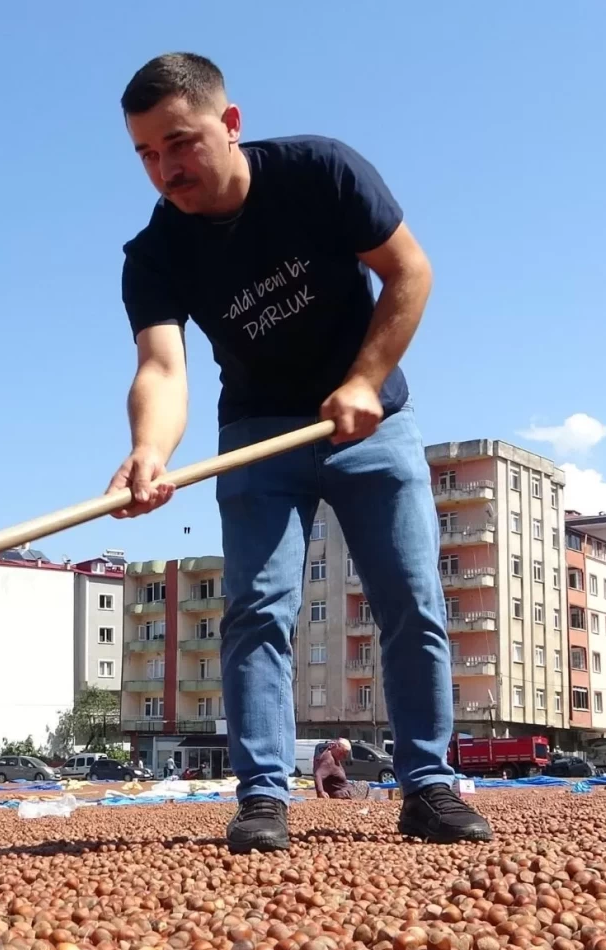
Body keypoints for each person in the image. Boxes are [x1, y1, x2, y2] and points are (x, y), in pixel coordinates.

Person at [106, 52, 493, 853]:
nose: (164, 169)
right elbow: (162, 366)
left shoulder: (320, 171)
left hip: (372, 420)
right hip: (256, 433)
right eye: (146, 153)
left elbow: (409, 273)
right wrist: (148, 450)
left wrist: (364, 380)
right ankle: (262, 798)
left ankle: (428, 786)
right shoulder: (154, 253)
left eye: (179, 143)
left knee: (412, 601)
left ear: (231, 124)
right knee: (256, 614)